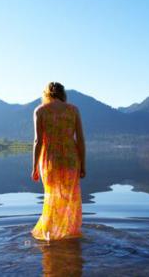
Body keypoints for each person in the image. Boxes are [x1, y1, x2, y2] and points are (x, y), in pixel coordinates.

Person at [31, 82, 86, 241]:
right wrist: (83, 164)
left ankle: (51, 235)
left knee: (51, 198)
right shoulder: (73, 110)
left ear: (46, 94)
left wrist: (34, 166)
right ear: (63, 94)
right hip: (71, 160)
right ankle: (69, 234)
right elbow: (80, 140)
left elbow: (37, 141)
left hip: (50, 161)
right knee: (70, 198)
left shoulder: (40, 111)